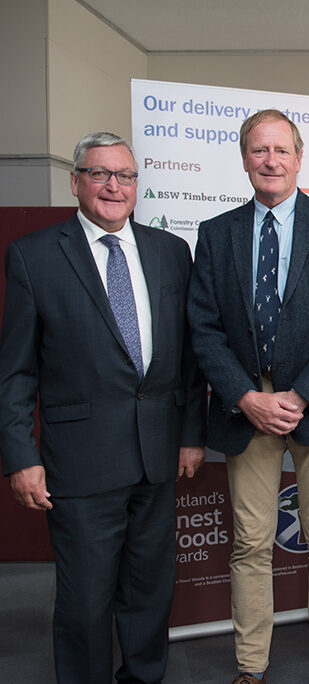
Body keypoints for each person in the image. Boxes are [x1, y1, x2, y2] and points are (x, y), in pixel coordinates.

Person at [0, 131, 207, 683]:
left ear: (138, 185)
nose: (114, 186)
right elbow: (16, 370)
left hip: (157, 456)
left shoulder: (170, 252)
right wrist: (21, 456)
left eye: (125, 176)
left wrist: (191, 434)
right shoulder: (34, 256)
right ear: (76, 181)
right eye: (100, 174)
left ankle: (142, 678)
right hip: (80, 462)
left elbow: (187, 357)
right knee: (85, 601)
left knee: (148, 592)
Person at [188, 109, 309, 684]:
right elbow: (204, 327)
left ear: (298, 158)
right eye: (259, 151)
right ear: (244, 159)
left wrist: (303, 394)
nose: (270, 161)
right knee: (251, 542)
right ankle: (250, 666)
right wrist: (246, 396)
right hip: (248, 410)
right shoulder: (216, 233)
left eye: (281, 151)